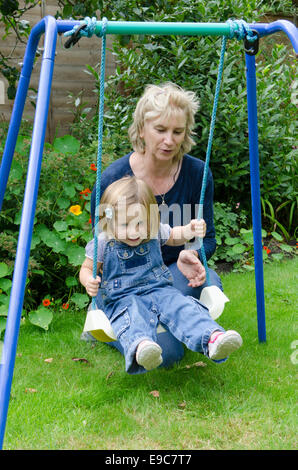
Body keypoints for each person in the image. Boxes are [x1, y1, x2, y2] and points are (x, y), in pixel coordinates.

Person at [88, 82, 228, 368]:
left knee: (210, 281)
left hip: (170, 277)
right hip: (124, 281)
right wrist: (93, 282)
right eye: (160, 130)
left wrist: (193, 255)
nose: (169, 140)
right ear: (142, 129)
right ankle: (119, 324)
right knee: (168, 355)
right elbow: (101, 246)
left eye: (177, 132)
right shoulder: (114, 179)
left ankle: (199, 332)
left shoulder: (197, 174)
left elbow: (206, 238)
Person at [80, 176, 242, 374]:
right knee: (132, 315)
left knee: (182, 306)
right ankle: (142, 347)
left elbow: (175, 236)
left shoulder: (154, 231)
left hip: (159, 289)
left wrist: (190, 229)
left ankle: (212, 338)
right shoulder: (104, 242)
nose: (134, 231)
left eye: (140, 223)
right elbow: (87, 269)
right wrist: (88, 280)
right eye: (125, 225)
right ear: (110, 221)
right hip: (122, 297)